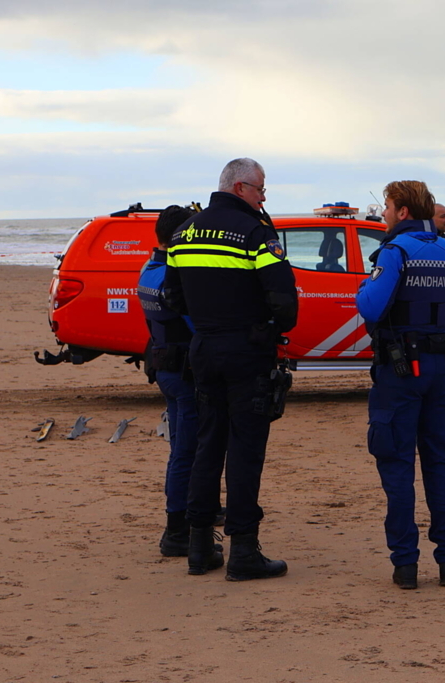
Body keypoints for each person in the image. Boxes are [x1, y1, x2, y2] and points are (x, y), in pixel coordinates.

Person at [165, 158, 298, 580]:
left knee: (207, 444)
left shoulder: (183, 233)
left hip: (204, 348)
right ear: (240, 187)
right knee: (244, 451)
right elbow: (284, 301)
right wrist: (267, 327)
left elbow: (173, 296)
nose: (263, 197)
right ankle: (243, 551)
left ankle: (200, 547)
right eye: (261, 189)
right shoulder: (255, 233)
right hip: (246, 351)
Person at [356, 180, 445, 590]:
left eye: (386, 206)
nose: (383, 214)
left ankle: (406, 564)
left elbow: (371, 306)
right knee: (439, 464)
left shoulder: (395, 251)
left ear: (402, 211)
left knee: (397, 466)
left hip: (400, 372)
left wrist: (362, 287)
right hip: (440, 368)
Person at [139, 204, 203, 557]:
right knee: (186, 452)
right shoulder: (174, 280)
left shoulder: (148, 271)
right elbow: (199, 324)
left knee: (181, 446)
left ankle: (191, 511)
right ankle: (176, 527)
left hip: (164, 365)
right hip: (183, 369)